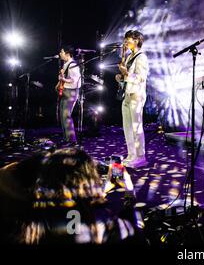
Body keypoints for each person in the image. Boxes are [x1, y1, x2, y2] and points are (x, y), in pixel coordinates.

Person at [14, 148, 145, 245]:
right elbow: (136, 236)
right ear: (87, 179)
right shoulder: (102, 219)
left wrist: (103, 191)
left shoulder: (30, 218)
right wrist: (129, 193)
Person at [116, 30, 149, 169]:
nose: (125, 42)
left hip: (136, 95)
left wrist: (126, 74)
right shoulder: (129, 57)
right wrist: (120, 78)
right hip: (127, 95)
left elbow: (141, 78)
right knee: (127, 128)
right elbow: (127, 78)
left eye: (127, 39)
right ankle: (131, 154)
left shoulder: (141, 57)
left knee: (136, 127)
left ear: (136, 40)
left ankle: (141, 157)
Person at [57, 46, 81, 145]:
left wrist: (63, 80)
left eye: (61, 52)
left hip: (71, 92)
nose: (60, 54)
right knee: (62, 116)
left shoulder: (72, 65)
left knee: (66, 116)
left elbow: (74, 80)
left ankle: (71, 140)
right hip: (66, 90)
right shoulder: (66, 64)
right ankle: (66, 138)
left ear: (67, 54)